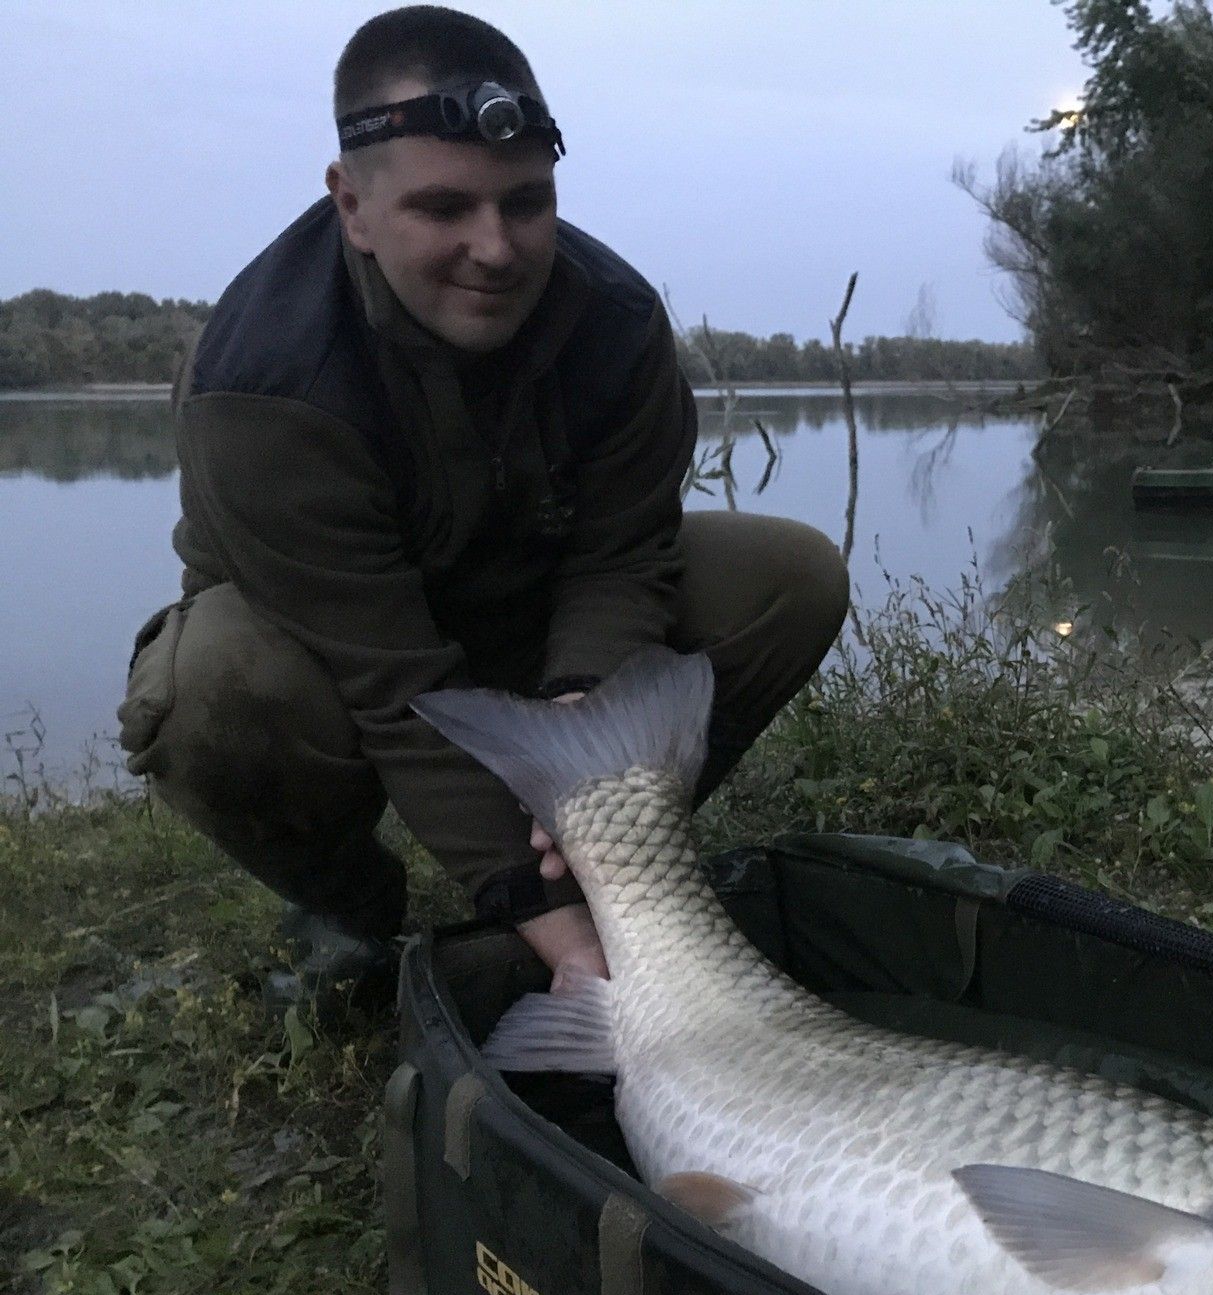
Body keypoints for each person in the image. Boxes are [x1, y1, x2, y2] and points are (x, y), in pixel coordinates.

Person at [117, 5, 849, 1014]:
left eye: (526, 202)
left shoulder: (618, 322)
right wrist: (549, 931)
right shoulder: (263, 387)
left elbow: (620, 560)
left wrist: (586, 717)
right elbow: (393, 682)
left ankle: (610, 873)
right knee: (208, 693)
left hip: (533, 613)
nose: (496, 249)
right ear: (353, 206)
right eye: (444, 208)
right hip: (330, 654)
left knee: (790, 579)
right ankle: (352, 913)